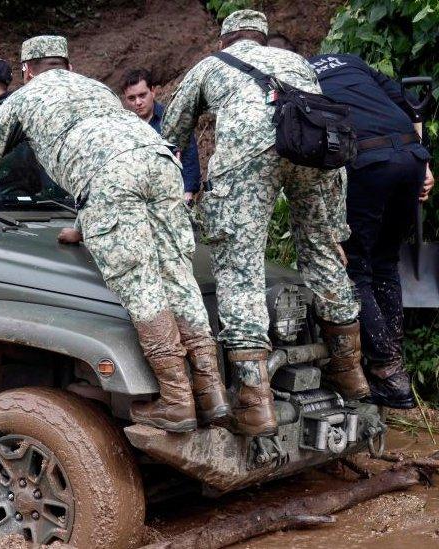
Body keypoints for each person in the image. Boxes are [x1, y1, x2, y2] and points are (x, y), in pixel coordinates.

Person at [0, 36, 228, 433]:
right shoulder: (95, 87)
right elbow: (109, 150)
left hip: (113, 181)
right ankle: (212, 391)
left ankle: (176, 402)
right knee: (177, 274)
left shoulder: (24, 98)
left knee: (140, 285)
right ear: (67, 64)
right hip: (161, 162)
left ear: (27, 70)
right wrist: (84, 228)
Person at [162, 10, 370, 435]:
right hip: (316, 151)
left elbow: (172, 133)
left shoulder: (211, 66)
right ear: (261, 37)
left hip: (249, 156)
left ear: (225, 42)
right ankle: (350, 371)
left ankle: (255, 405)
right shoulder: (297, 62)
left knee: (240, 267)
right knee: (323, 251)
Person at [309, 52, 435, 409]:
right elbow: (406, 103)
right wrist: (423, 162)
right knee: (385, 261)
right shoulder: (350, 61)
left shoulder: (297, 73)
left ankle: (385, 372)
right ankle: (395, 366)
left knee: (356, 266)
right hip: (409, 155)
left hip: (367, 162)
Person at [121, 68, 201, 200]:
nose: (138, 102)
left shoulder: (173, 118)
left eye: (142, 95)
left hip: (173, 196)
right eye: (131, 98)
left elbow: (189, 155)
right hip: (139, 199)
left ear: (152, 91)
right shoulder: (123, 128)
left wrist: (188, 192)